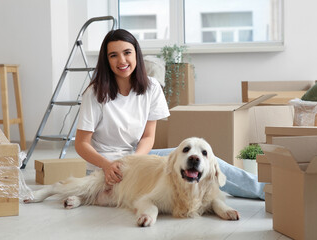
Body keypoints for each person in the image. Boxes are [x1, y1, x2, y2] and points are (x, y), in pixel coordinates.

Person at [75, 29, 265, 200]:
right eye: (113, 55)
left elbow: (148, 136)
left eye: (127, 53)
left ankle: (267, 190)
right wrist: (108, 166)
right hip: (104, 167)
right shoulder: (95, 93)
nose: (122, 61)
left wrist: (133, 161)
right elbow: (81, 143)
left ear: (136, 54)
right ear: (106, 61)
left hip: (138, 157)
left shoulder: (151, 87)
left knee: (207, 159)